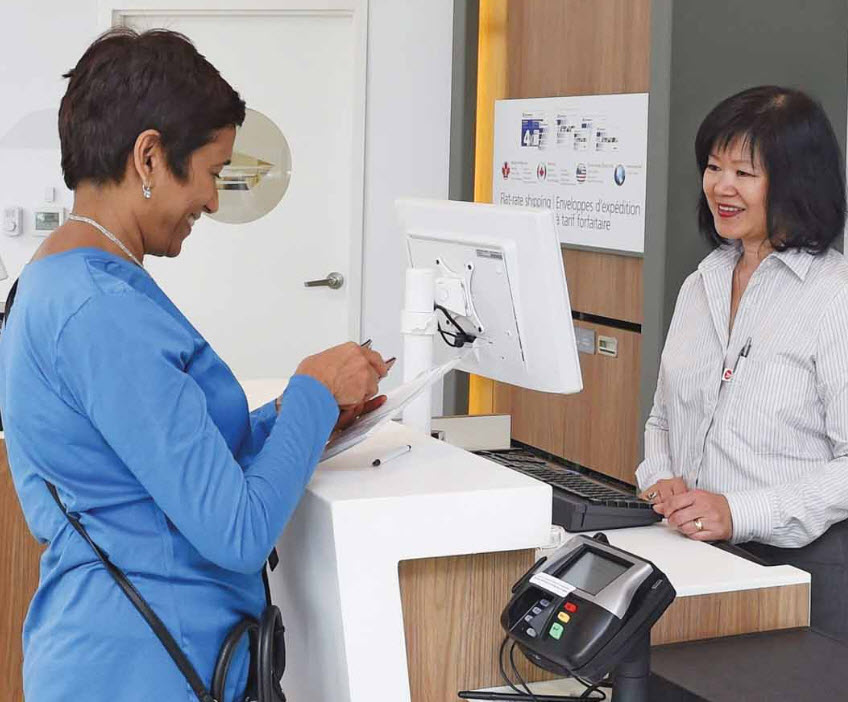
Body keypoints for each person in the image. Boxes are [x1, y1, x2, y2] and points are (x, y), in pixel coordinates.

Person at [0, 28, 390, 701]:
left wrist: (305, 417)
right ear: (148, 157)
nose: (213, 201)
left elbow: (163, 450)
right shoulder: (98, 308)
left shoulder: (76, 283)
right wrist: (309, 390)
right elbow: (236, 531)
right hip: (139, 672)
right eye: (212, 173)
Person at [636, 85, 848, 641]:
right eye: (712, 167)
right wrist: (660, 478)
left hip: (799, 575)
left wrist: (742, 511)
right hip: (690, 560)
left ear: (796, 182)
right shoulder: (700, 283)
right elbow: (662, 417)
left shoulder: (835, 298)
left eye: (744, 173)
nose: (720, 187)